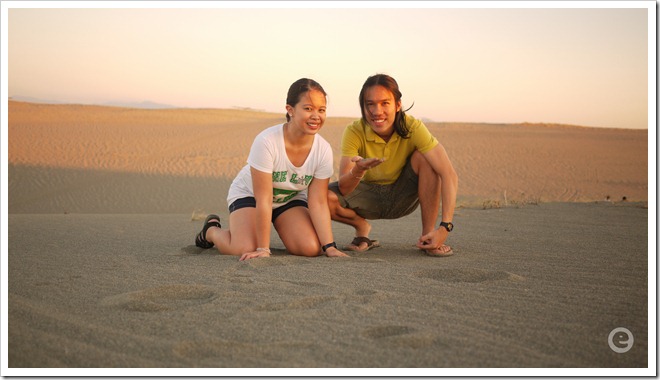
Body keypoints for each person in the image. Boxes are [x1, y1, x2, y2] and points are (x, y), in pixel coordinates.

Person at [195, 78, 348, 261]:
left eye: (321, 110)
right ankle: (211, 231)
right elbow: (264, 198)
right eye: (308, 109)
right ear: (290, 110)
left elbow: (318, 202)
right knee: (243, 247)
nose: (316, 116)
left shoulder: (323, 150)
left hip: (289, 198)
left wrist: (329, 247)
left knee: (310, 248)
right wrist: (263, 248)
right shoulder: (267, 142)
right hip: (251, 195)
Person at [327, 74, 458, 257]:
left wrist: (445, 228)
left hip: (402, 195)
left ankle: (428, 238)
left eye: (384, 103)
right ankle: (361, 227)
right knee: (320, 197)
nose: (376, 111)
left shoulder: (413, 127)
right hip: (366, 196)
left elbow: (448, 174)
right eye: (370, 104)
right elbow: (344, 187)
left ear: (397, 105)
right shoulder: (354, 131)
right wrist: (359, 170)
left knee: (427, 158)